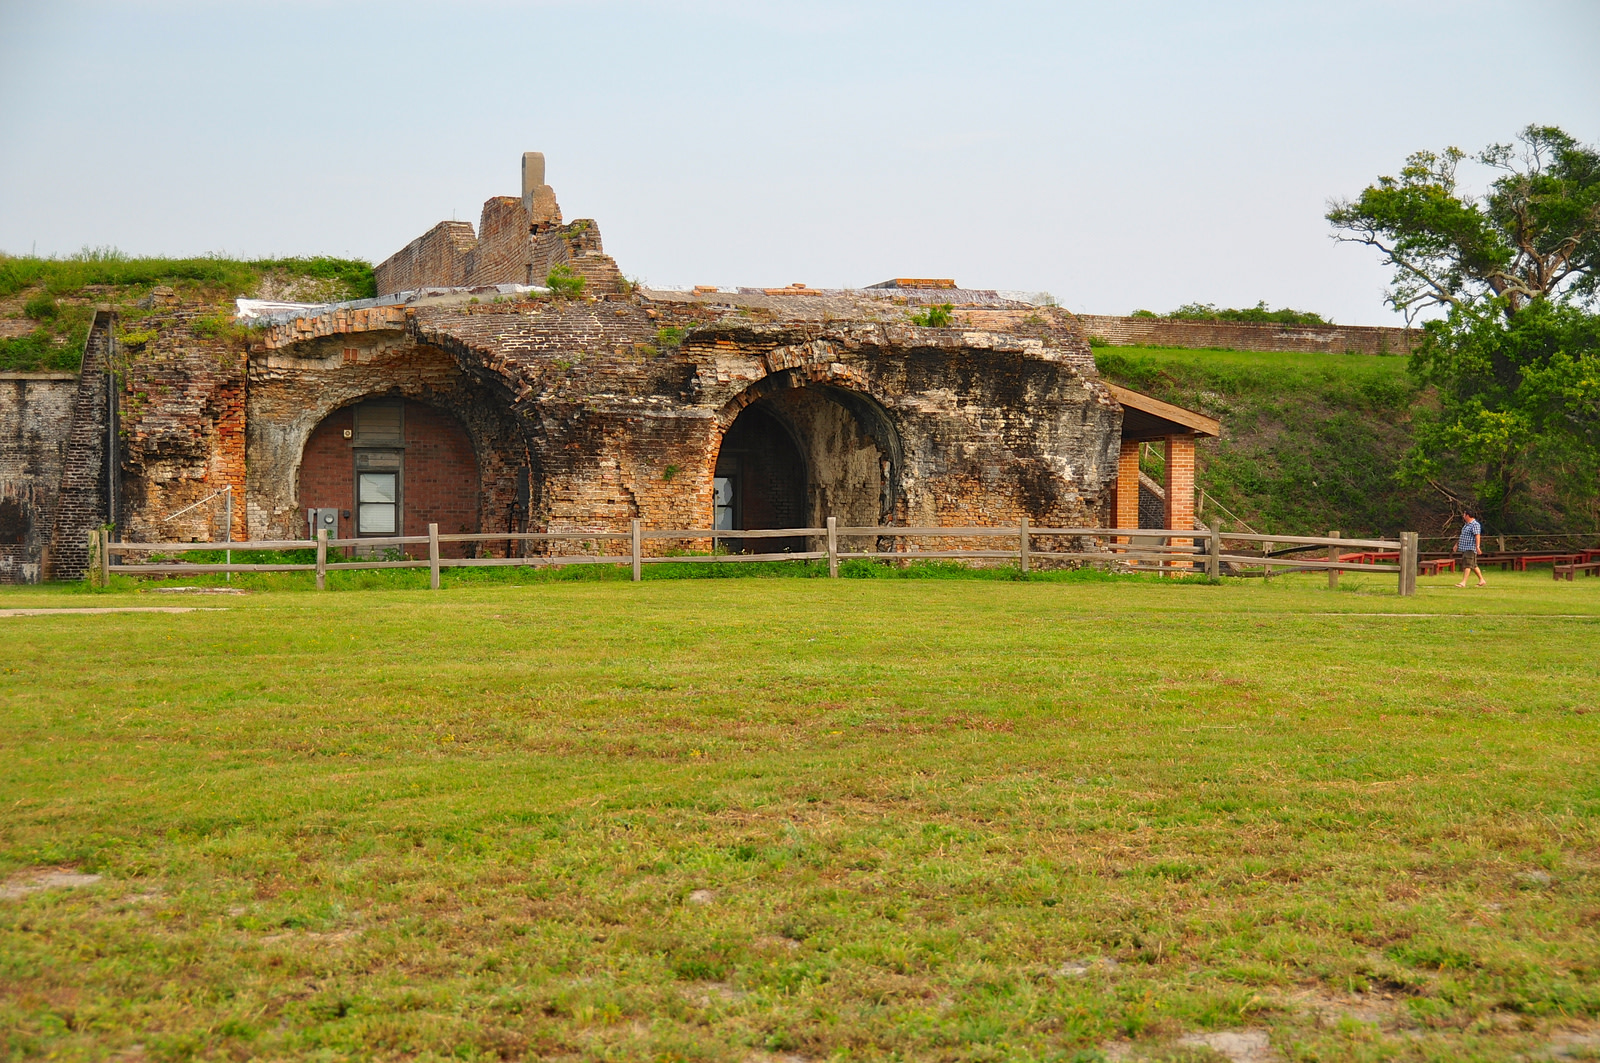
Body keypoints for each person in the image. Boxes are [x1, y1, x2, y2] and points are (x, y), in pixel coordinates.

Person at [1454, 510, 1486, 588]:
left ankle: (1463, 582)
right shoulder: (1466, 525)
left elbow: (1477, 536)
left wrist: (1477, 547)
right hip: (1464, 548)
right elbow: (1463, 535)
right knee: (1474, 565)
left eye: (1464, 514)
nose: (1463, 516)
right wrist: (1456, 544)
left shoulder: (1475, 524)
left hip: (1470, 548)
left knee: (1467, 565)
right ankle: (1482, 580)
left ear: (1468, 515)